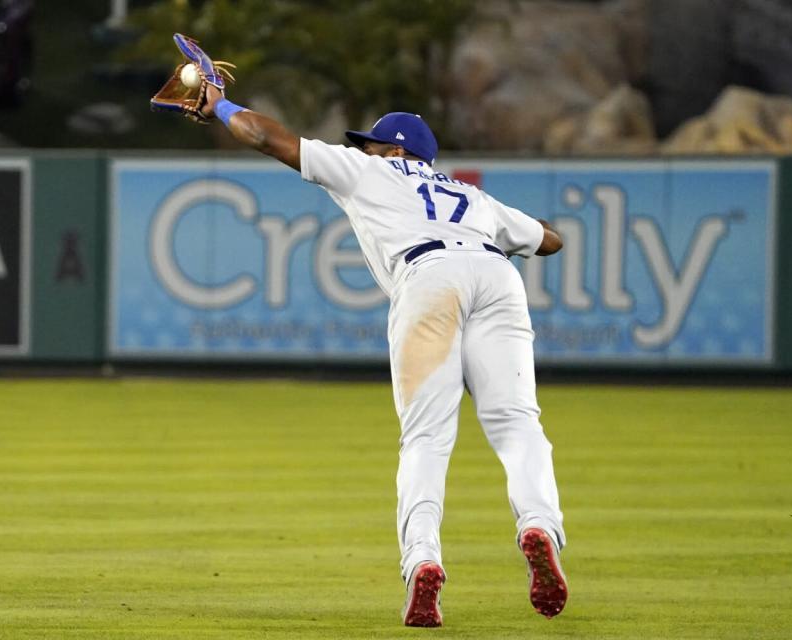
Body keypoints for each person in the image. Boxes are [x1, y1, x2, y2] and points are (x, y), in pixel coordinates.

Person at [198, 82, 568, 627]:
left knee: (426, 438)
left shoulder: (368, 171)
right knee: (517, 424)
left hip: (428, 279)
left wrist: (222, 107)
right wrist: (496, 233)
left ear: (396, 151)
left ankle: (423, 559)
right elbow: (551, 240)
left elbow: (268, 138)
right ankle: (538, 525)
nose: (366, 149)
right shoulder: (472, 195)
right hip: (497, 274)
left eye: (374, 143)